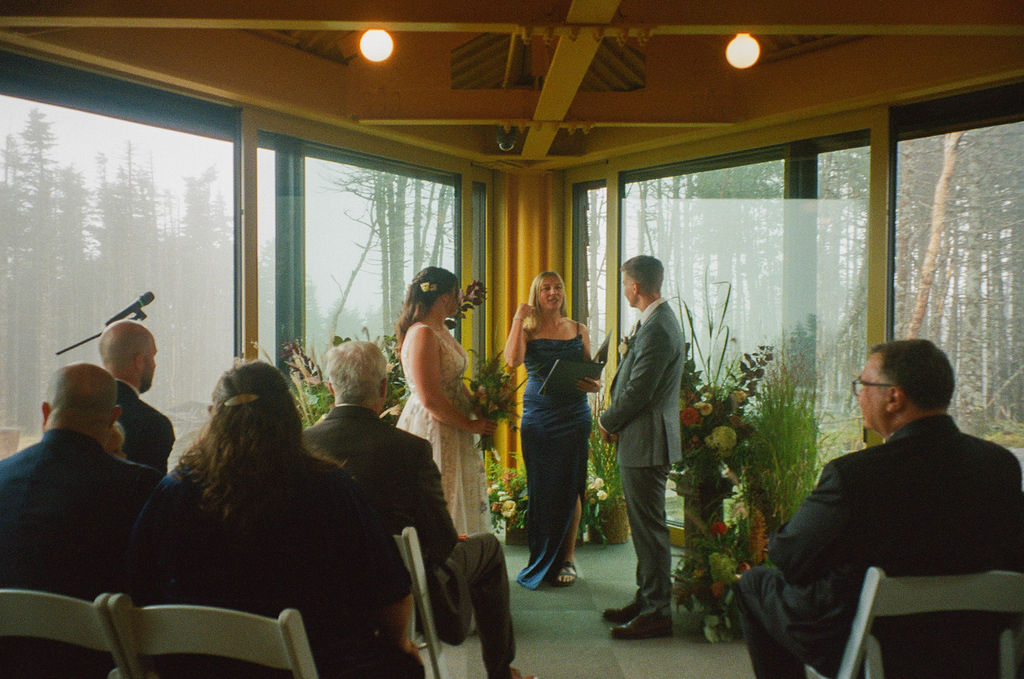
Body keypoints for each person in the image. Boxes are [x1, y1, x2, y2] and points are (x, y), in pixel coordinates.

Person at [736, 339, 1024, 679]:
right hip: (975, 643)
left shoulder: (854, 475)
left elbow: (788, 556)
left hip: (874, 644)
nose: (858, 395)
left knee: (755, 583)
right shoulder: (1000, 465)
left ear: (894, 397)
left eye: (863, 385)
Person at [126, 361, 422, 679]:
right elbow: (391, 592)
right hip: (318, 665)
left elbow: (136, 585)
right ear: (290, 416)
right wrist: (399, 643)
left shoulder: (174, 491)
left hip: (197, 668)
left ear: (215, 417)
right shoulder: (330, 488)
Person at [305, 340, 534, 679]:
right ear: (383, 388)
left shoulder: (302, 446)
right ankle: (501, 673)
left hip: (324, 588)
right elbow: (442, 542)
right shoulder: (410, 450)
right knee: (487, 548)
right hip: (402, 586)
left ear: (330, 388)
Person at [0, 363, 162, 678]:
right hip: (96, 664)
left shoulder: (2, 477)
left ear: (45, 412)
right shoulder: (138, 487)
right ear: (115, 416)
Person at [598, 255, 685, 640]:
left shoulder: (659, 328)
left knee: (649, 530)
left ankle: (656, 612)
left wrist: (606, 420)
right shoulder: (654, 323)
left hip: (647, 442)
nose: (625, 290)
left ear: (635, 286)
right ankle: (647, 598)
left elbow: (639, 392)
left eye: (625, 284)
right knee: (644, 527)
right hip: (643, 439)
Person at [504, 271, 600, 588]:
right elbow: (512, 361)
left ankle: (567, 558)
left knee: (572, 485)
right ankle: (540, 559)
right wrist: (518, 320)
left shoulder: (579, 329)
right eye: (546, 288)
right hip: (539, 416)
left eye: (558, 286)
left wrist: (593, 384)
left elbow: (591, 375)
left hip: (574, 414)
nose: (553, 292)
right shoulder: (528, 330)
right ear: (537, 293)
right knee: (541, 486)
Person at [395, 266, 497, 535]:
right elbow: (429, 397)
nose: (458, 300)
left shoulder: (440, 329)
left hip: (454, 422)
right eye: (455, 294)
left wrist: (477, 402)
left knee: (458, 491)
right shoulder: (422, 333)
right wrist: (468, 424)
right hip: (434, 425)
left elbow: (451, 380)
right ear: (444, 297)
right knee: (443, 490)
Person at [99, 319, 175, 472]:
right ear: (139, 361)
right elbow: (154, 491)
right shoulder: (154, 425)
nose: (154, 365)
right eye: (153, 357)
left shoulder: (80, 414)